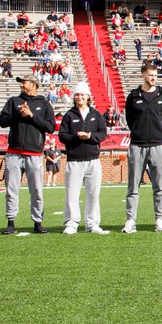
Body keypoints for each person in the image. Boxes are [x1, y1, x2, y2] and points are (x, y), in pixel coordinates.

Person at [0, 74, 56, 234]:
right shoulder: (13, 101)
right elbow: (2, 122)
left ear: (34, 84)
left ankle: (37, 222)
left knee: (37, 190)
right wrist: (18, 114)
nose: (22, 85)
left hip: (35, 153)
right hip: (13, 153)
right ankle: (11, 222)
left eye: (24, 82)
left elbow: (50, 127)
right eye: (21, 82)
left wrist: (31, 115)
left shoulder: (44, 104)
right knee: (11, 189)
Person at [124, 63, 162, 233]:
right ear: (143, 75)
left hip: (158, 145)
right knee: (133, 186)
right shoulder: (133, 96)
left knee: (159, 185)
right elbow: (130, 120)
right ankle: (131, 220)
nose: (154, 78)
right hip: (137, 145)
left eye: (155, 75)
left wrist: (157, 133)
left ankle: (159, 219)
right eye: (151, 75)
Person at [58, 82, 110, 235]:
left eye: (82, 95)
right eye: (77, 95)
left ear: (88, 97)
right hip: (74, 160)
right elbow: (62, 136)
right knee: (72, 194)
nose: (80, 97)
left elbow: (103, 134)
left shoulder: (96, 114)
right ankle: (71, 223)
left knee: (94, 193)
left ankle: (92, 223)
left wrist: (90, 136)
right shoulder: (69, 115)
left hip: (93, 160)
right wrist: (76, 137)